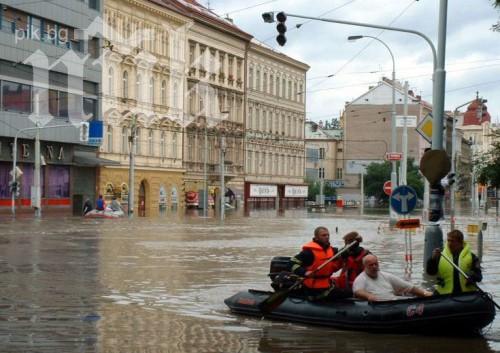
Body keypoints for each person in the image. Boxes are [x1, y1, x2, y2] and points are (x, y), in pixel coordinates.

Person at [290, 226, 347, 299]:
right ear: (316, 237)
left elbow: (343, 253)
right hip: (314, 288)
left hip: (327, 284)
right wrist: (304, 272)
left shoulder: (332, 250)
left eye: (328, 235)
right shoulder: (308, 252)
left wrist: (353, 245)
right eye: (324, 235)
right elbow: (291, 263)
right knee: (348, 293)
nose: (327, 237)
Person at [353, 254, 432, 301]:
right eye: (371, 265)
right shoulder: (361, 279)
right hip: (378, 306)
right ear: (365, 266)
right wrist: (368, 296)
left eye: (376, 264)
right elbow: (358, 291)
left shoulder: (385, 276)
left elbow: (408, 287)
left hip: (392, 303)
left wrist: (424, 293)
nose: (374, 267)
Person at [426, 229, 482, 295]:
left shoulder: (472, 257)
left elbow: (479, 276)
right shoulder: (440, 256)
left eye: (452, 241)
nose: (449, 243)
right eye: (448, 240)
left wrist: (472, 276)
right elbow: (430, 272)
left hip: (466, 295)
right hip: (444, 294)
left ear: (460, 243)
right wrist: (432, 259)